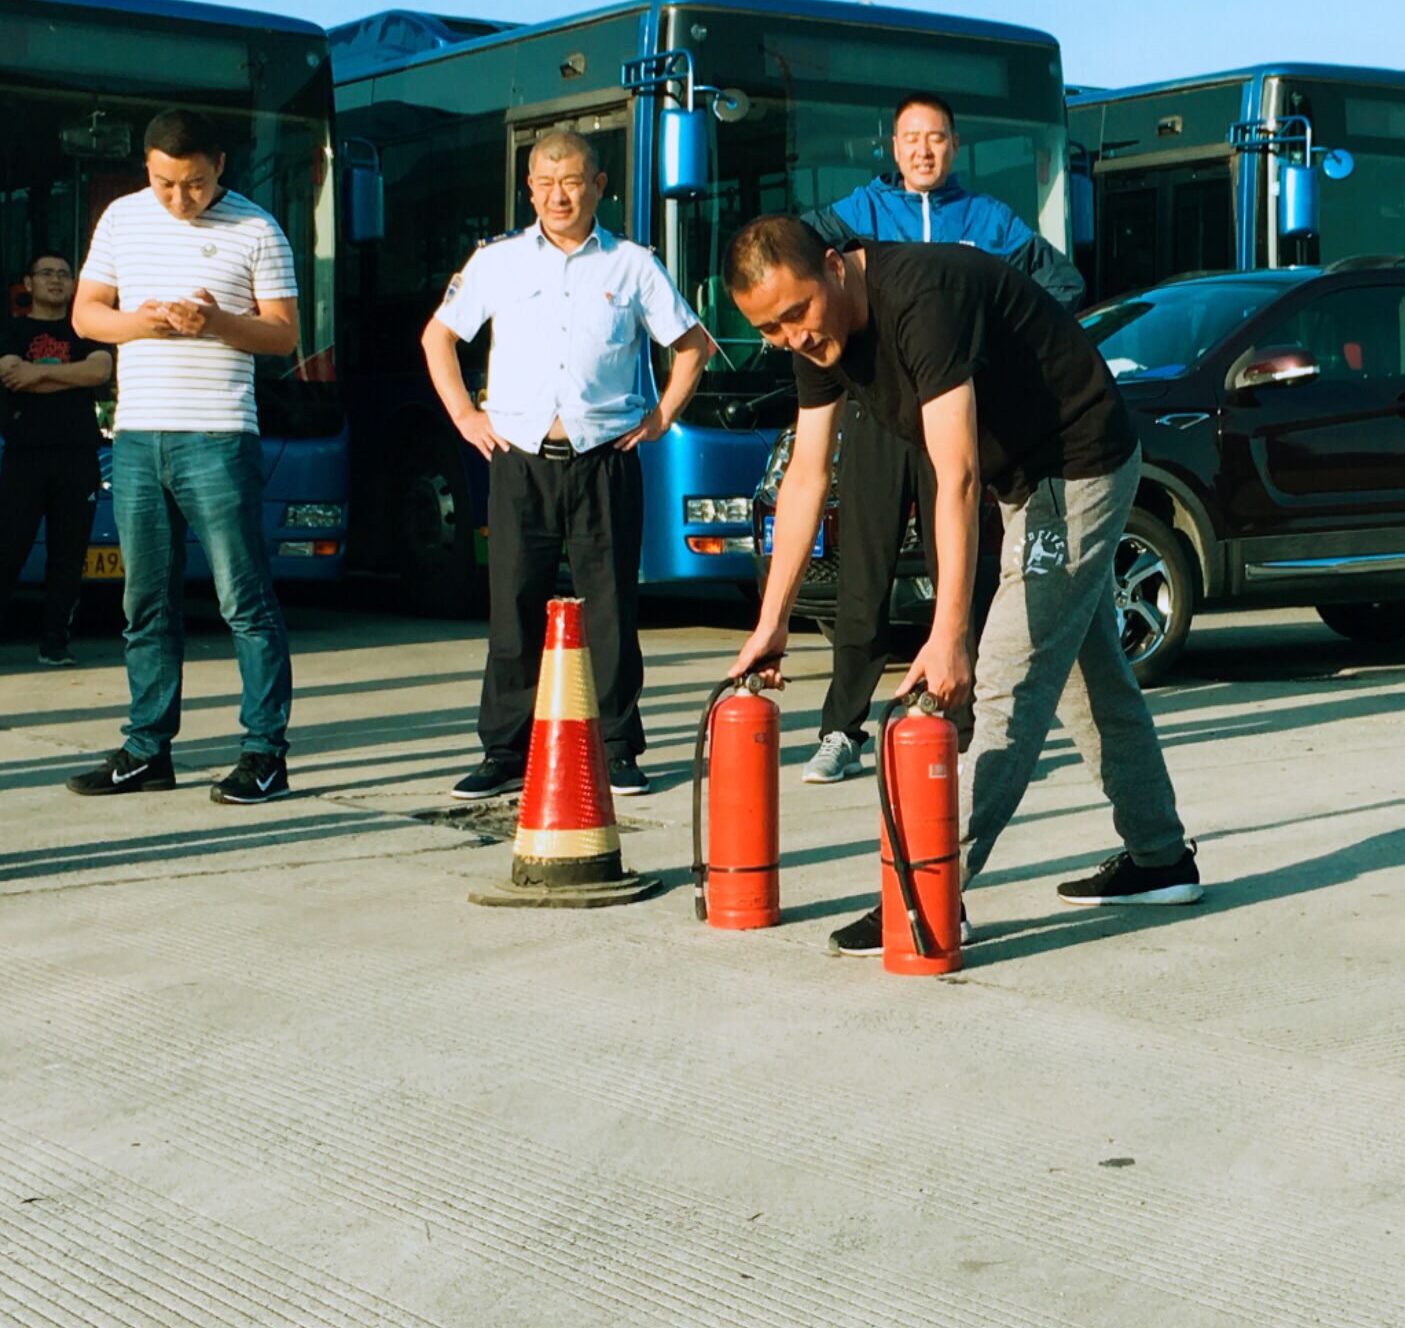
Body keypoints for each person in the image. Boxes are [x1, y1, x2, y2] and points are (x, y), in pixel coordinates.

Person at [725, 215, 1199, 956]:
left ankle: (926, 887)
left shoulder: (923, 298)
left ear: (834, 266)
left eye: (796, 314)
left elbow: (957, 475)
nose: (792, 337)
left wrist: (950, 636)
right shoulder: (818, 332)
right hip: (1026, 479)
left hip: (1075, 465)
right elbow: (807, 477)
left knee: (1008, 681)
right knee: (1092, 679)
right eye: (769, 329)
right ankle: (1161, 857)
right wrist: (771, 622)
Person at [800, 91, 1083, 785]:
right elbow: (792, 252)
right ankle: (842, 731)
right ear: (893, 148)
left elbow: (1063, 283)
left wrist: (996, 347)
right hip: (879, 411)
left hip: (954, 409)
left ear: (955, 147)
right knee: (863, 575)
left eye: (936, 138)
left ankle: (962, 721)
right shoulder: (859, 212)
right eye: (911, 139)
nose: (923, 150)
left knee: (961, 568)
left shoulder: (988, 219)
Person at [424, 128, 716, 800]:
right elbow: (438, 337)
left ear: (598, 187)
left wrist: (661, 416)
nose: (560, 196)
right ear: (529, 189)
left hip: (602, 458)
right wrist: (465, 415)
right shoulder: (496, 261)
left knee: (610, 608)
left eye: (573, 182)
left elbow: (692, 344)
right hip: (519, 458)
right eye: (547, 183)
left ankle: (617, 747)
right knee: (513, 604)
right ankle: (505, 750)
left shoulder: (632, 265)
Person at [64, 108, 301, 805]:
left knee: (244, 601)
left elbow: (283, 335)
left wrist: (216, 321)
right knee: (144, 602)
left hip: (219, 434)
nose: (179, 198)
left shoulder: (258, 228)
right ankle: (147, 748)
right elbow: (86, 315)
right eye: (164, 183)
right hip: (138, 435)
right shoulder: (121, 219)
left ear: (219, 165)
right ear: (146, 167)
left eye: (194, 184)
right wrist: (142, 321)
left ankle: (265, 753)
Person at [0, 251, 112, 669]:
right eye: (46, 273)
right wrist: (66, 375)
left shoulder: (86, 330)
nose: (56, 280)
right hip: (24, 456)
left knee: (69, 555)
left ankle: (55, 643)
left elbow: (98, 372)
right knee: (8, 549)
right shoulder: (11, 331)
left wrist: (38, 373)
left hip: (78, 456)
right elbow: (13, 375)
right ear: (28, 284)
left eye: (64, 274)